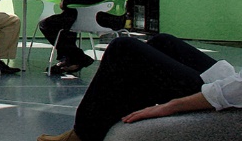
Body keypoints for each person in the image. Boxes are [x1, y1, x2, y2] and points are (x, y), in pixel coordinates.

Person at [37, 34, 242, 141]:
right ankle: (105, 119)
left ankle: (83, 134)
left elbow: (234, 92)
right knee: (163, 42)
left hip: (234, 98)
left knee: (123, 49)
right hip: (235, 84)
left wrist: (172, 105)